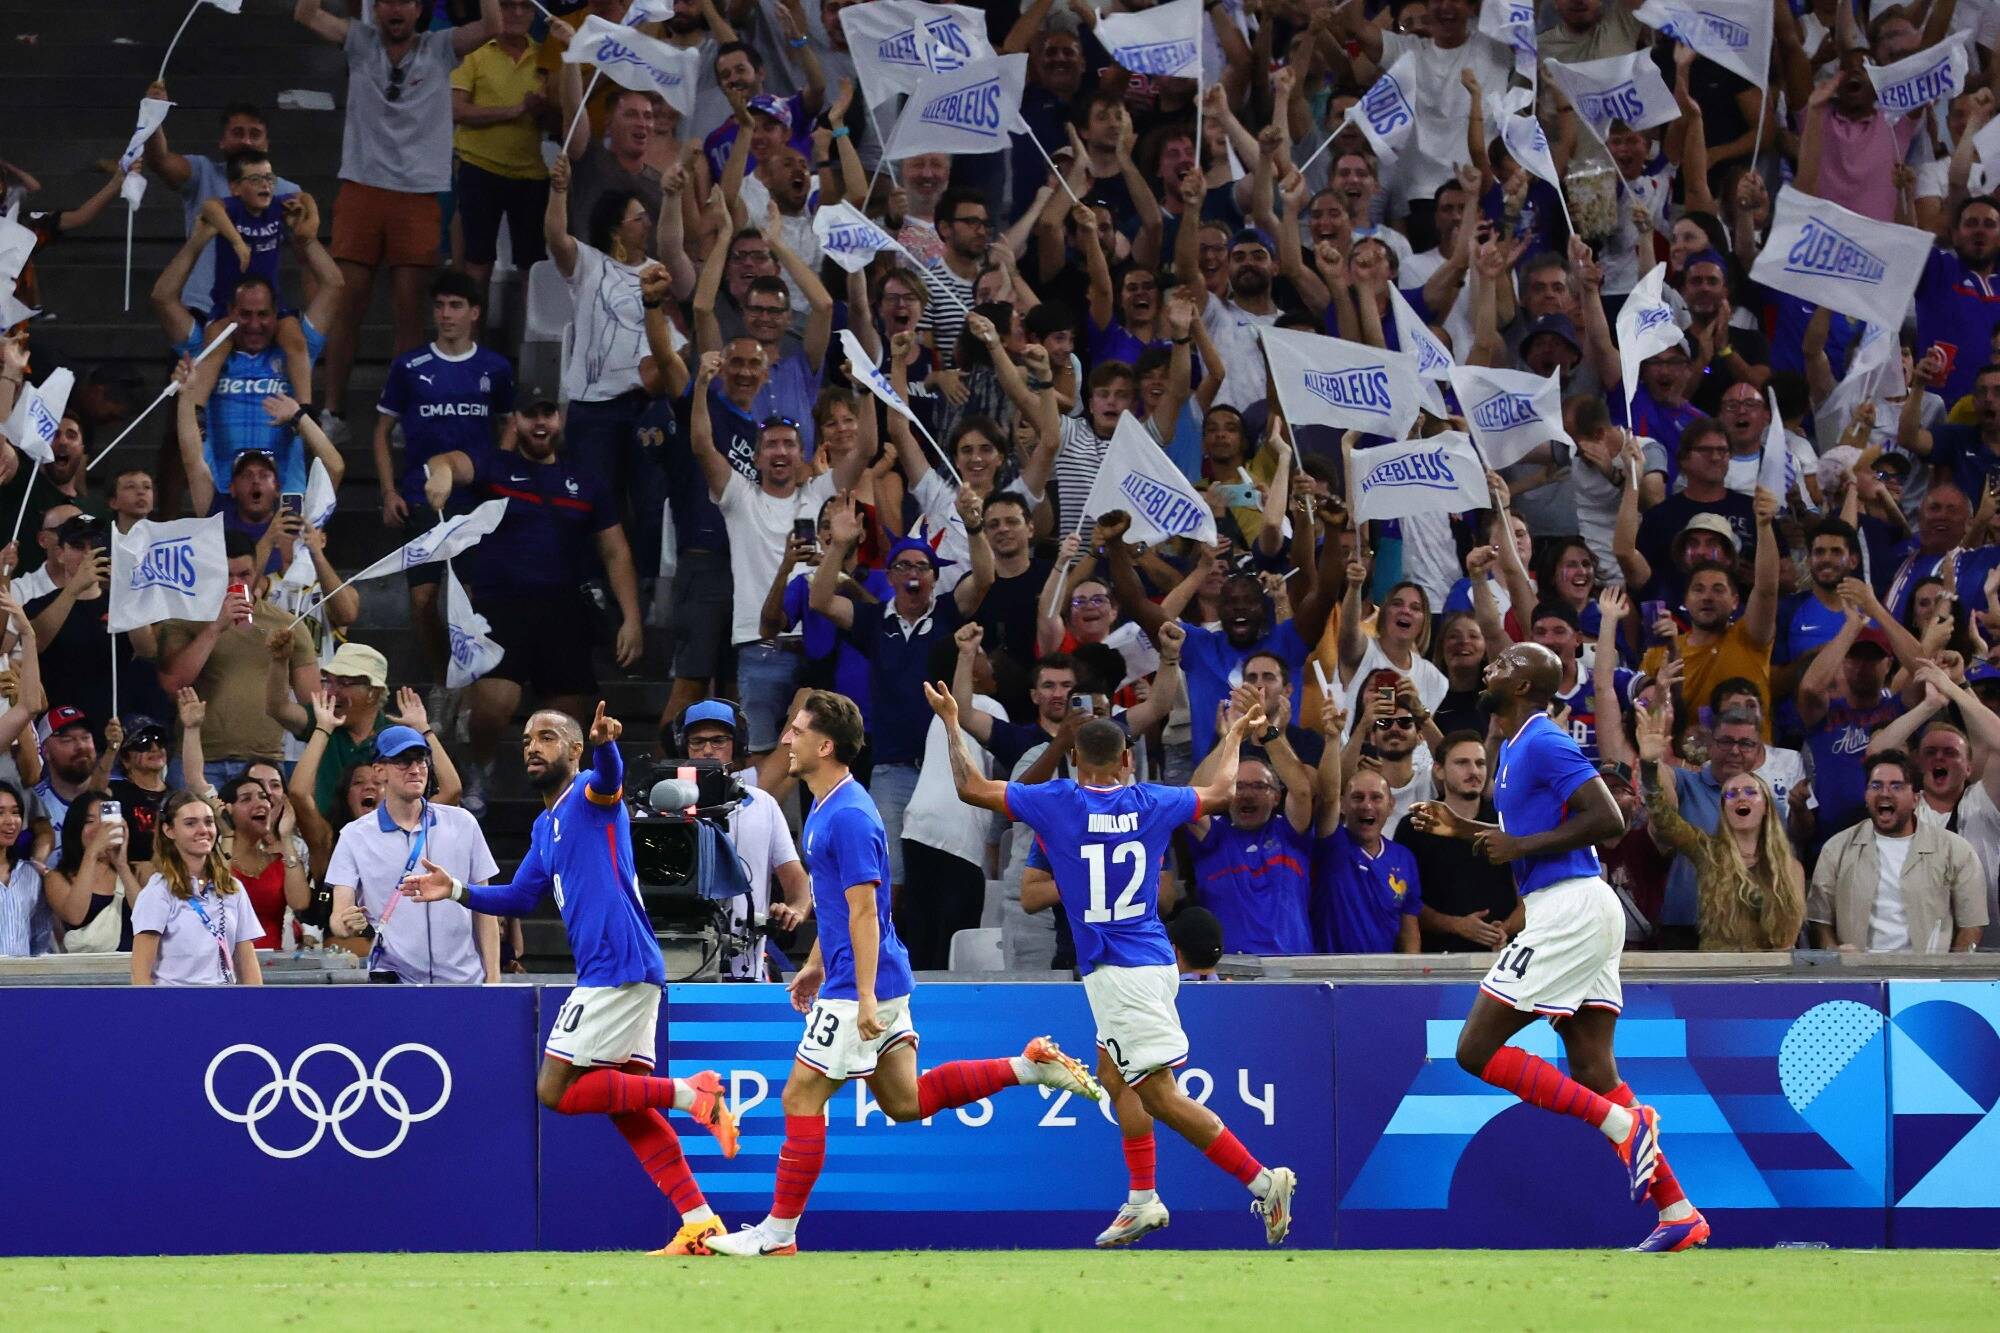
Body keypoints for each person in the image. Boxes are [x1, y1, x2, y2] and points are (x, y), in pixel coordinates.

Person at [699, 690, 1101, 1258]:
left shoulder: (849, 815)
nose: (786, 739)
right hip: (867, 977)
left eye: (797, 730)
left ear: (825, 745)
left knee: (799, 1097)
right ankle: (1027, 1065)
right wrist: (814, 964)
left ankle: (779, 1233)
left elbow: (866, 911)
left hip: (861, 987)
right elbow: (840, 907)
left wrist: (862, 996)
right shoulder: (828, 804)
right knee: (905, 1100)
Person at [931, 686, 1298, 1249]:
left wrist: (952, 723)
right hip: (1143, 959)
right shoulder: (1153, 801)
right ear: (1127, 759)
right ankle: (1142, 1199)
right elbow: (1222, 791)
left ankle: (1263, 1182)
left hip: (1123, 973)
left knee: (1160, 1095)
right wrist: (1232, 737)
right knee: (1112, 1074)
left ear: (1076, 759)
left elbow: (970, 788)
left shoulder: (1057, 801)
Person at [400, 703, 740, 1255]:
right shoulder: (546, 825)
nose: (533, 747)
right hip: (623, 967)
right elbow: (520, 896)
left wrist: (607, 746)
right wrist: (457, 890)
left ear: (575, 750)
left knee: (554, 1089)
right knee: (627, 1109)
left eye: (547, 737)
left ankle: (691, 1092)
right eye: (527, 739)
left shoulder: (588, 792)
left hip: (616, 964)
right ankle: (700, 1223)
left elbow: (610, 779)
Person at [1408, 642, 1706, 1253]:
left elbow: (1609, 819)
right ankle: (1678, 1211)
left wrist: (1517, 848)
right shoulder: (1515, 746)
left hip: (1568, 908)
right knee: (1594, 1069)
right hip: (1577, 905)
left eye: (1504, 663)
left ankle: (1623, 1124)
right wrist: (1465, 829)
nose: (1490, 667)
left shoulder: (1544, 740)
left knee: (1474, 1050)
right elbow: (1532, 834)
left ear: (1523, 686)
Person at [422, 383, 645, 813]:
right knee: (493, 707)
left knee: (566, 723)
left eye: (547, 414)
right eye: (530, 415)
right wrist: (443, 474)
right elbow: (446, 461)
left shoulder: (586, 481)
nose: (540, 423)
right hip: (501, 607)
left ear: (559, 419)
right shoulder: (496, 466)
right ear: (515, 421)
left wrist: (632, 618)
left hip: (564, 612)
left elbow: (616, 551)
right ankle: (480, 768)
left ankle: (559, 801)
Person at [292, 0, 500, 439]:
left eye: (405, 0)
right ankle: (333, 410)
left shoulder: (440, 47)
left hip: (417, 194)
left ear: (419, 7)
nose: (396, 9)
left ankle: (404, 412)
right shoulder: (360, 40)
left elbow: (493, 24)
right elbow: (306, 15)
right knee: (346, 306)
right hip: (362, 186)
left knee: (408, 312)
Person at [372, 271, 515, 687]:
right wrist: (388, 492)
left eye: (455, 306)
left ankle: (468, 688)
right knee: (423, 602)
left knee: (469, 599)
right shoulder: (409, 366)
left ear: (474, 312)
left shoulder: (494, 368)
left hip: (473, 500)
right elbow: (380, 432)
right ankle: (441, 684)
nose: (446, 314)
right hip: (422, 499)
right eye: (439, 306)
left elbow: (511, 421)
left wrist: (499, 472)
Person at [328, 723, 498, 984]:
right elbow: (339, 915)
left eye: (421, 760)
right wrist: (345, 923)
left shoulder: (463, 823)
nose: (415, 769)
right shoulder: (354, 835)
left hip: (464, 982)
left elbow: (484, 907)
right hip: (395, 984)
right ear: (379, 770)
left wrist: (494, 978)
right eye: (403, 761)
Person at [1634, 699, 1805, 951]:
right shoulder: (1708, 851)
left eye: (1745, 743)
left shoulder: (1790, 867)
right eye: (1731, 794)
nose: (1735, 751)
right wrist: (1650, 764)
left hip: (1766, 965)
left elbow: (1788, 939)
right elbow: (1663, 817)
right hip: (1688, 939)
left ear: (1767, 807)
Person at [665, 699, 809, 978]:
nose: (708, 750)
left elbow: (796, 880)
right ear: (684, 746)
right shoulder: (659, 805)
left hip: (746, 965)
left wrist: (795, 910)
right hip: (674, 965)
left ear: (738, 745)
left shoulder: (763, 805)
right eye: (697, 742)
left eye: (719, 740)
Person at [1806, 751, 1988, 952]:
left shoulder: (1956, 850)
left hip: (1928, 969)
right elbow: (1819, 920)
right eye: (1876, 786)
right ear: (1866, 796)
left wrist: (1950, 969)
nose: (1885, 793)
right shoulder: (1836, 849)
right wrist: (1835, 954)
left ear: (1916, 799)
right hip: (1857, 968)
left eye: (1896, 786)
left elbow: (1971, 925)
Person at [1396, 729, 1518, 952]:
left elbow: (1529, 895)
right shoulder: (1416, 824)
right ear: (1439, 770)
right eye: (1462, 763)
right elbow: (1402, 901)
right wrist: (1456, 925)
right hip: (1437, 959)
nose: (1474, 771)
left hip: (1502, 959)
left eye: (1480, 764)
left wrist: (1505, 929)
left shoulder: (1507, 823)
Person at [130, 790, 264, 986]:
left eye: (209, 822)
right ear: (169, 831)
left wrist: (255, 1004)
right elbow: (140, 975)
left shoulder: (232, 888)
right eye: (190, 823)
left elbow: (247, 963)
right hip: (175, 1001)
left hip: (225, 999)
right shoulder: (158, 891)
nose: (203, 830)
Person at [0, 781, 49, 956]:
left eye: (15, 812)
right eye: (0, 813)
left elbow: (41, 936)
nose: (11, 821)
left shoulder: (31, 874)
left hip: (24, 973)